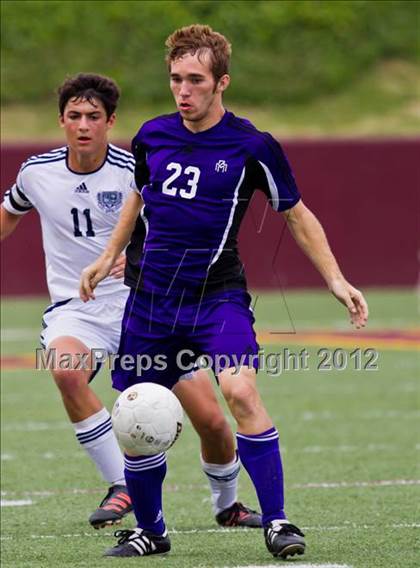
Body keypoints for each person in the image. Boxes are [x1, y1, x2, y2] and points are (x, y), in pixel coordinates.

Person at [80, 24, 369, 560]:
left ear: (221, 83)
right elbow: (136, 199)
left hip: (217, 297)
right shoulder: (152, 135)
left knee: (239, 392)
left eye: (195, 80)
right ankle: (152, 531)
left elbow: (297, 215)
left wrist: (335, 277)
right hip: (150, 300)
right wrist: (105, 256)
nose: (183, 91)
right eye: (175, 80)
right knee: (139, 414)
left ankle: (278, 522)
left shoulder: (251, 145)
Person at [0, 73, 262, 531]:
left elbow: (178, 222)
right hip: (76, 309)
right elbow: (9, 213)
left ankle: (228, 505)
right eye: (75, 116)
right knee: (64, 368)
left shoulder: (135, 167)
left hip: (146, 307)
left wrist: (133, 254)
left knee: (214, 424)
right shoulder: (36, 173)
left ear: (110, 121)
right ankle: (121, 483)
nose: (84, 125)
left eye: (94, 117)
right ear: (61, 120)